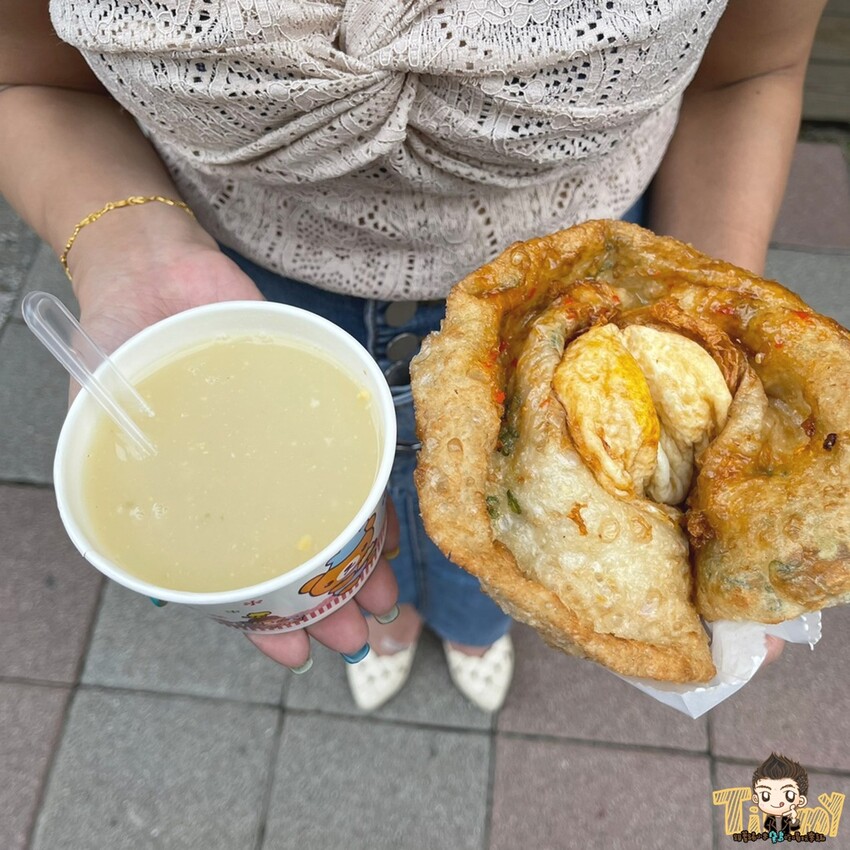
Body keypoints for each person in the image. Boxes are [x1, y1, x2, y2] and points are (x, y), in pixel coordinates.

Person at [0, 0, 816, 712]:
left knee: (518, 553)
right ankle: (396, 627)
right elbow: (31, 76)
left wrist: (703, 356)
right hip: (234, 295)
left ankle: (472, 628)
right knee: (335, 558)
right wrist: (125, 245)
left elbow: (747, 71)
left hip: (587, 312)